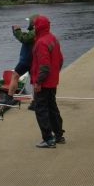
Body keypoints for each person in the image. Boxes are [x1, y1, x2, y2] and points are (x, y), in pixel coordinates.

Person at [30, 14, 64, 148]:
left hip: (43, 82)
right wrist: (54, 74)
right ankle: (59, 135)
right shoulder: (53, 39)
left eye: (34, 26)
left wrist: (38, 82)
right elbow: (60, 60)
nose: (33, 28)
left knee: (41, 110)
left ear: (38, 27)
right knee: (52, 108)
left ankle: (48, 139)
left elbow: (44, 66)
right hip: (52, 81)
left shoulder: (40, 43)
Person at [0, 15, 37, 106]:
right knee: (34, 80)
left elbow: (24, 39)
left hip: (27, 60)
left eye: (30, 21)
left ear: (33, 23)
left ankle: (9, 98)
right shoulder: (36, 31)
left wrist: (17, 30)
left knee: (15, 75)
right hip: (32, 59)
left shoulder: (34, 31)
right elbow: (26, 37)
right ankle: (35, 101)